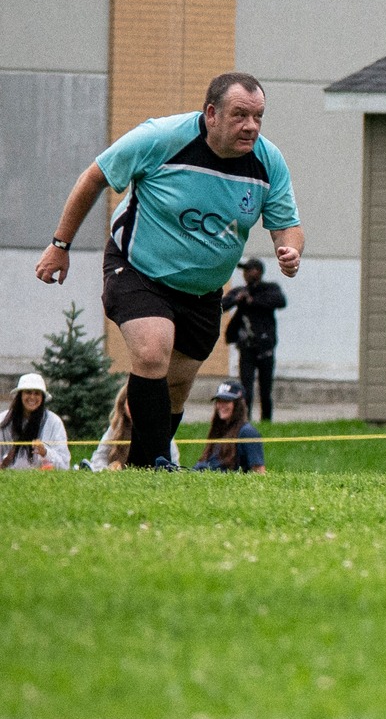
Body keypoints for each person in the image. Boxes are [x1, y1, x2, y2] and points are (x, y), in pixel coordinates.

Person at [34, 71, 302, 471]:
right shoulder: (160, 138)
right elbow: (95, 178)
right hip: (138, 269)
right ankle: (159, 462)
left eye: (258, 117)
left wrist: (290, 250)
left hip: (204, 291)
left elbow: (288, 225)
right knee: (151, 352)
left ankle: (144, 465)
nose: (251, 127)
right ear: (211, 113)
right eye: (240, 115)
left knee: (175, 388)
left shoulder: (267, 161)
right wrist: (60, 245)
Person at [221, 257, 288, 422]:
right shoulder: (241, 291)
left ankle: (266, 420)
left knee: (265, 390)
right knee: (246, 389)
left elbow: (280, 301)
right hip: (247, 347)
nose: (245, 274)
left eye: (249, 270)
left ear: (258, 272)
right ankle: (245, 420)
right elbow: (222, 305)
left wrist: (253, 301)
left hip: (265, 347)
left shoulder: (269, 289)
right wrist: (237, 300)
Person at [87, 385, 177, 471]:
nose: (135, 408)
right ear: (123, 406)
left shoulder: (159, 429)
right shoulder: (115, 428)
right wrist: (105, 471)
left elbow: (174, 462)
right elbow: (99, 458)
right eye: (131, 403)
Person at [191, 380, 264, 473]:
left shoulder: (247, 432)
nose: (221, 405)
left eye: (226, 401)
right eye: (219, 401)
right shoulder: (219, 429)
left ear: (238, 404)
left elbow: (259, 471)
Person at [0, 373, 69, 471]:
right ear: (20, 395)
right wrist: (6, 461)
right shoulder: (3, 420)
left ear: (42, 397)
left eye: (37, 393)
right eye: (28, 392)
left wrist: (45, 453)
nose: (32, 397)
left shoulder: (54, 422)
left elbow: (64, 465)